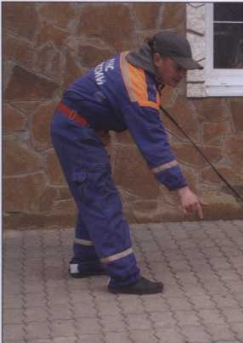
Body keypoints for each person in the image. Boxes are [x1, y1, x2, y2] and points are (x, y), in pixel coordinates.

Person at [50, 31, 204, 295]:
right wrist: (182, 190)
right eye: (178, 67)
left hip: (76, 126)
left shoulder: (134, 60)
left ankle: (86, 261)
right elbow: (154, 146)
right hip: (77, 132)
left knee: (93, 194)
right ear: (157, 58)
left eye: (185, 69)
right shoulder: (138, 87)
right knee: (102, 199)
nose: (182, 74)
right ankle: (124, 277)